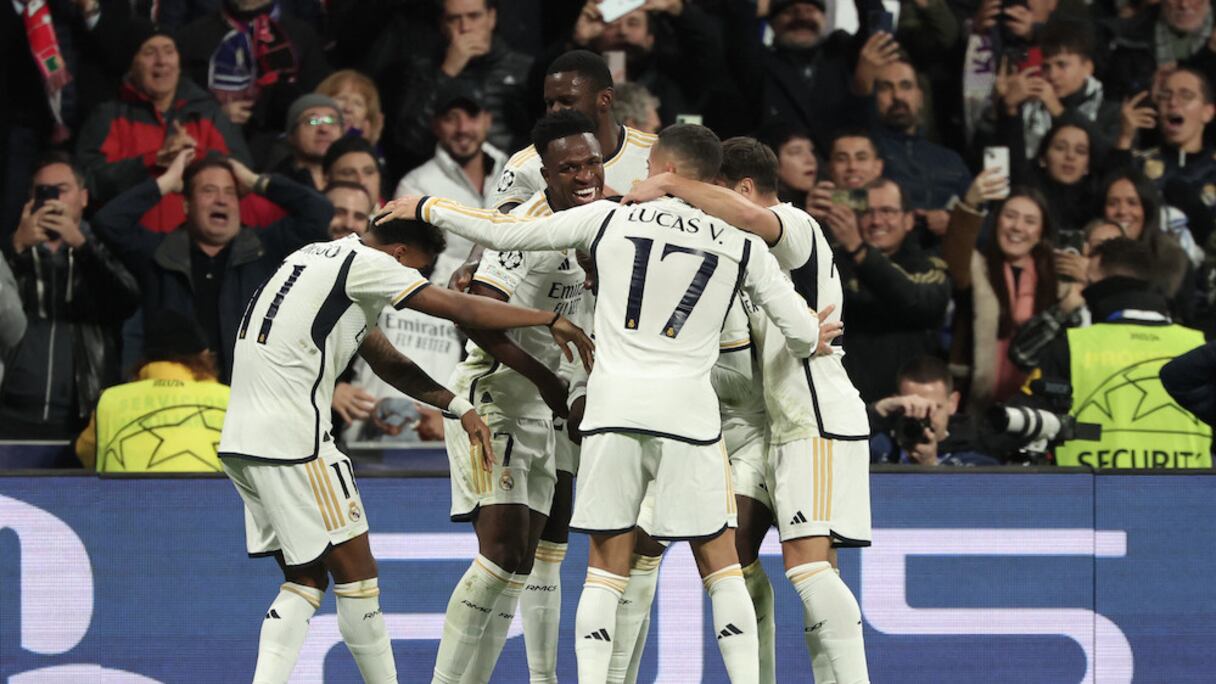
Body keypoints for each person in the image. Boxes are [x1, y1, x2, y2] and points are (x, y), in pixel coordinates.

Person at [381, 123, 832, 684]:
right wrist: (815, 334)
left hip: (613, 412)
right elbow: (800, 332)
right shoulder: (741, 244)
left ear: (663, 169)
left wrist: (429, 207)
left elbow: (504, 231)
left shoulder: (608, 219)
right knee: (721, 569)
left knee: (604, 572)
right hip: (690, 418)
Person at [216, 214, 593, 684]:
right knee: (358, 578)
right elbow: (460, 309)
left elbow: (387, 361)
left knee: (305, 580)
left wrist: (458, 406)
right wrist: (548, 317)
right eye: (417, 270)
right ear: (398, 254)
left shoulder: (312, 257)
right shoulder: (368, 263)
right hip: (298, 440)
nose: (416, 279)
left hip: (241, 441)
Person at [621, 134, 872, 683]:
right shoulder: (742, 264)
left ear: (743, 188)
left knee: (808, 568)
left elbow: (752, 218)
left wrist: (668, 182)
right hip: (777, 429)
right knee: (739, 556)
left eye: (714, 194)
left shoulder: (796, 225)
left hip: (816, 419)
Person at [430, 110, 606, 684]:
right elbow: (476, 314)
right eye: (569, 168)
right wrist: (548, 381)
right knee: (503, 553)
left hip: (545, 410)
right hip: (498, 400)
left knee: (523, 562)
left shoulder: (603, 223)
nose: (585, 176)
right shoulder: (526, 229)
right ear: (546, 176)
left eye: (592, 162)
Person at [92, 149, 332, 382]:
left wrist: (255, 181)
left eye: (230, 192)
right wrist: (167, 182)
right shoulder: (159, 254)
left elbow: (320, 213)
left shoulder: (264, 250)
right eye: (209, 191)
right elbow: (108, 222)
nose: (221, 200)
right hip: (176, 395)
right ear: (186, 205)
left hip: (247, 397)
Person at [1023, 237, 1212, 467]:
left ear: (1104, 286)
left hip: (1090, 488)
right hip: (1190, 488)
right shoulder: (1199, 345)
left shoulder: (1071, 347)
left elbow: (1018, 424)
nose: (1082, 293)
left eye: (1087, 282)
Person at [1, 152, 140, 439]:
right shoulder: (11, 250)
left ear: (84, 197)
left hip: (81, 415)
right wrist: (16, 247)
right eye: (43, 191)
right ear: (30, 200)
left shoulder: (103, 247)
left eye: (61, 190)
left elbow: (126, 301)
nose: (52, 199)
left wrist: (81, 245)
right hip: (11, 410)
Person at [76, 19, 254, 233]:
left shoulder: (208, 111)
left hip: (195, 243)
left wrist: (192, 156)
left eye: (169, 51)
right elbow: (89, 182)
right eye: (150, 52)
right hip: (126, 243)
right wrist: (154, 160)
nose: (161, 61)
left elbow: (243, 174)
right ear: (132, 64)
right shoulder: (107, 116)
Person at [814, 177, 952, 403]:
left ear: (908, 220)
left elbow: (919, 303)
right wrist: (810, 225)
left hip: (911, 403)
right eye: (867, 212)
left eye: (887, 211)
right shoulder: (830, 260)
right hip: (843, 400)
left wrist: (860, 251)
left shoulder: (929, 266)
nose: (876, 221)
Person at [944, 178, 1065, 411]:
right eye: (1010, 216)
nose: (1017, 227)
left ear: (1041, 232)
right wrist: (970, 205)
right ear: (996, 221)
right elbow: (954, 260)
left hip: (1036, 405)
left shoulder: (1056, 281)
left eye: (1030, 221)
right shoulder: (977, 267)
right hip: (976, 402)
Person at [488, 49, 655, 213]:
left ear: (605, 99)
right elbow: (499, 227)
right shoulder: (527, 165)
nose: (555, 111)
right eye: (550, 103)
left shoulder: (654, 152)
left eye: (566, 101)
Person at [176, 0, 332, 164]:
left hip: (285, 149)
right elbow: (179, 102)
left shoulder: (301, 34)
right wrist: (217, 115)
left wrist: (301, 124)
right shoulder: (191, 36)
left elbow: (319, 103)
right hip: (211, 147)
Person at [75, 309, 228, 472]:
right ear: (203, 356)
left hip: (128, 489)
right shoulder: (228, 399)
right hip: (210, 489)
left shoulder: (110, 401)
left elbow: (84, 453)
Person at [394, 0, 532, 166]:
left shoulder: (524, 69)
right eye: (453, 19)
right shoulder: (425, 71)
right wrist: (447, 71)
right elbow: (412, 140)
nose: (465, 27)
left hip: (515, 171)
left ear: (491, 18)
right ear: (442, 25)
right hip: (446, 174)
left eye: (474, 16)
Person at [394, 83, 508, 266]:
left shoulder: (513, 169)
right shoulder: (414, 187)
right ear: (435, 125)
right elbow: (414, 258)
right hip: (451, 284)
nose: (462, 128)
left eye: (472, 116)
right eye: (451, 118)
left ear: (488, 120)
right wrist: (479, 273)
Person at [984, 20, 1119, 162]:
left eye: (1062, 65)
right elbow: (998, 161)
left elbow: (1111, 162)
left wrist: (1058, 111)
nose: (1052, 75)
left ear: (1087, 68)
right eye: (1046, 67)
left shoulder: (1112, 113)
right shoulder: (1028, 107)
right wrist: (1000, 108)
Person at [1113, 67, 1216, 250]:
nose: (1173, 102)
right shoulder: (1138, 163)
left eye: (1186, 96)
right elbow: (1109, 203)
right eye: (1165, 96)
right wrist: (1125, 138)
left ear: (1208, 112)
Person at [871, 57, 972, 236]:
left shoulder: (950, 160)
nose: (897, 96)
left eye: (906, 86)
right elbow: (841, 197)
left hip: (945, 248)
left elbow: (983, 221)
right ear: (874, 98)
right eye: (886, 87)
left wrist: (952, 221)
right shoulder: (862, 155)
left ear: (920, 97)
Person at [869, 356, 1001, 466]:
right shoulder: (879, 444)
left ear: (953, 403)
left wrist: (932, 467)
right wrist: (878, 410)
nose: (923, 416)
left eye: (934, 408)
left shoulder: (977, 457)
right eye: (913, 406)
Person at [1101, 169, 1194, 309]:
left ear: (1147, 209)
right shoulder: (1084, 253)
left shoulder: (1175, 261)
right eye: (1113, 203)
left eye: (1132, 203)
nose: (1122, 211)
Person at [1021, 117, 1102, 236]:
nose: (1070, 156)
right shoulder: (1025, 197)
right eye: (1060, 148)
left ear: (1087, 166)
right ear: (1042, 158)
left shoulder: (1097, 207)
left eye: (1080, 151)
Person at [270, 93, 344, 190]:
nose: (324, 129)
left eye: (331, 121)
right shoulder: (276, 185)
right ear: (291, 135)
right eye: (312, 121)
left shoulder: (356, 178)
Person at [757, 122, 818, 211]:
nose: (810, 160)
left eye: (812, 151)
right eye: (796, 152)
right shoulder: (768, 210)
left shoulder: (819, 198)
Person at [316, 69, 386, 147]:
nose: (348, 108)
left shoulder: (371, 151)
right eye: (341, 98)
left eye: (358, 104)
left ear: (366, 117)